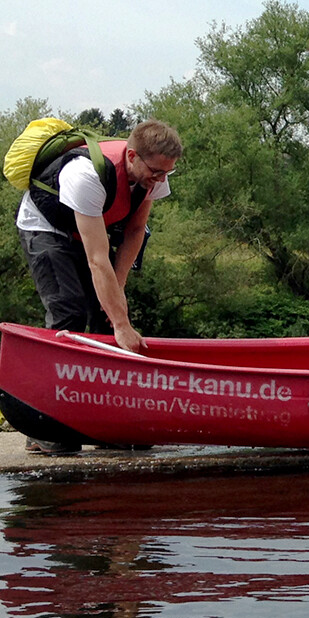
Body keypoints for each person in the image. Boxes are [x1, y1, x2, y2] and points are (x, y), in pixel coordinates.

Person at [16, 119, 183, 452]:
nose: (161, 181)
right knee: (69, 312)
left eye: (168, 173)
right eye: (156, 172)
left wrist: (116, 297)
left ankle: (105, 423)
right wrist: (122, 323)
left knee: (103, 318)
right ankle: (46, 427)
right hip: (47, 229)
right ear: (132, 156)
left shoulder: (151, 176)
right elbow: (96, 257)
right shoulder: (86, 175)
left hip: (88, 231)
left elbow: (135, 231)